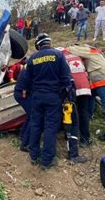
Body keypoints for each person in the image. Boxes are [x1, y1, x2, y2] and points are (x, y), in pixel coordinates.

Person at [23, 33, 72, 170]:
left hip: (37, 97)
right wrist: (66, 92)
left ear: (38, 45)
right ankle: (47, 160)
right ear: (49, 43)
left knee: (36, 124)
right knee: (50, 127)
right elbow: (66, 77)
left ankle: (33, 155)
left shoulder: (32, 58)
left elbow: (26, 80)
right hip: (53, 97)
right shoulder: (58, 55)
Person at [68, 45, 105, 141]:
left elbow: (73, 50)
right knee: (90, 98)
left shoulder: (89, 51)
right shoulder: (96, 53)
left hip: (103, 81)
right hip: (98, 81)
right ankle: (87, 119)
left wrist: (65, 49)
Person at [60, 47, 91, 159]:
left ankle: (69, 136)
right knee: (84, 113)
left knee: (71, 114)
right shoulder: (77, 56)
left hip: (73, 88)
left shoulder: (62, 58)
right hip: (85, 87)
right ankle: (85, 139)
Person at [13, 62, 31, 152]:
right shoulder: (32, 66)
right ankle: (25, 143)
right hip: (22, 94)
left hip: (20, 93)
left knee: (30, 114)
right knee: (33, 116)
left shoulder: (29, 64)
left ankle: (23, 135)